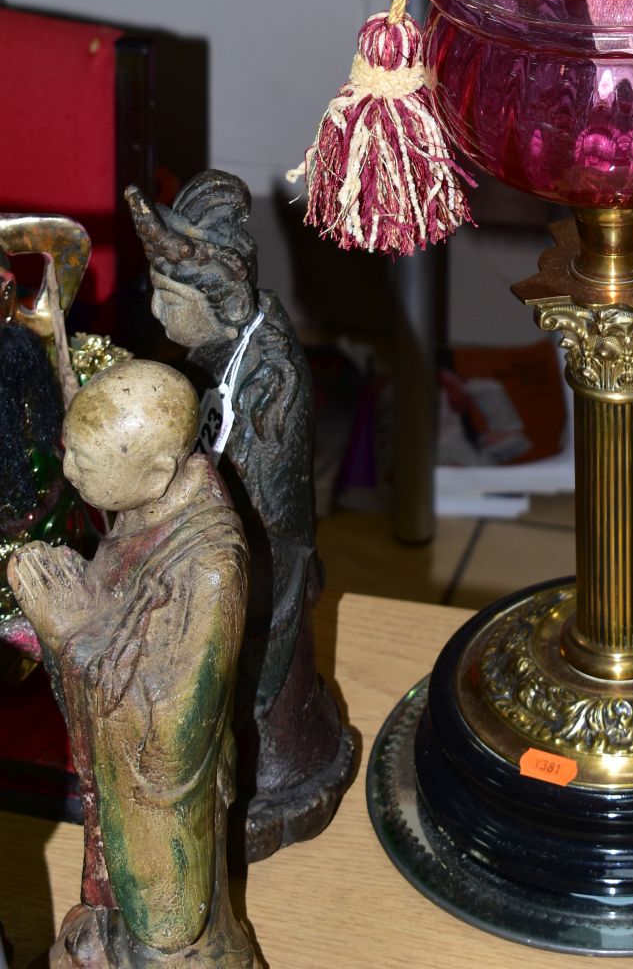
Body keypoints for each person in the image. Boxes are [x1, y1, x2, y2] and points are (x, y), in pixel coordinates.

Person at [125, 172, 352, 859]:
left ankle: (263, 768)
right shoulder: (214, 351)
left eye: (173, 301)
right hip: (220, 548)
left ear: (219, 301)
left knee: (251, 681)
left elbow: (266, 500)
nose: (162, 319)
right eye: (157, 297)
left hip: (262, 565)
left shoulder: (272, 376)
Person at [6, 360, 257, 967]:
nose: (66, 471)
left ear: (155, 471)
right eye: (72, 453)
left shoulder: (211, 566)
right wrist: (58, 616)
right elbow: (119, 615)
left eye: (86, 465)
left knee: (165, 942)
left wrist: (70, 634)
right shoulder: (148, 510)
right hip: (121, 794)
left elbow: (172, 728)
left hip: (164, 805)